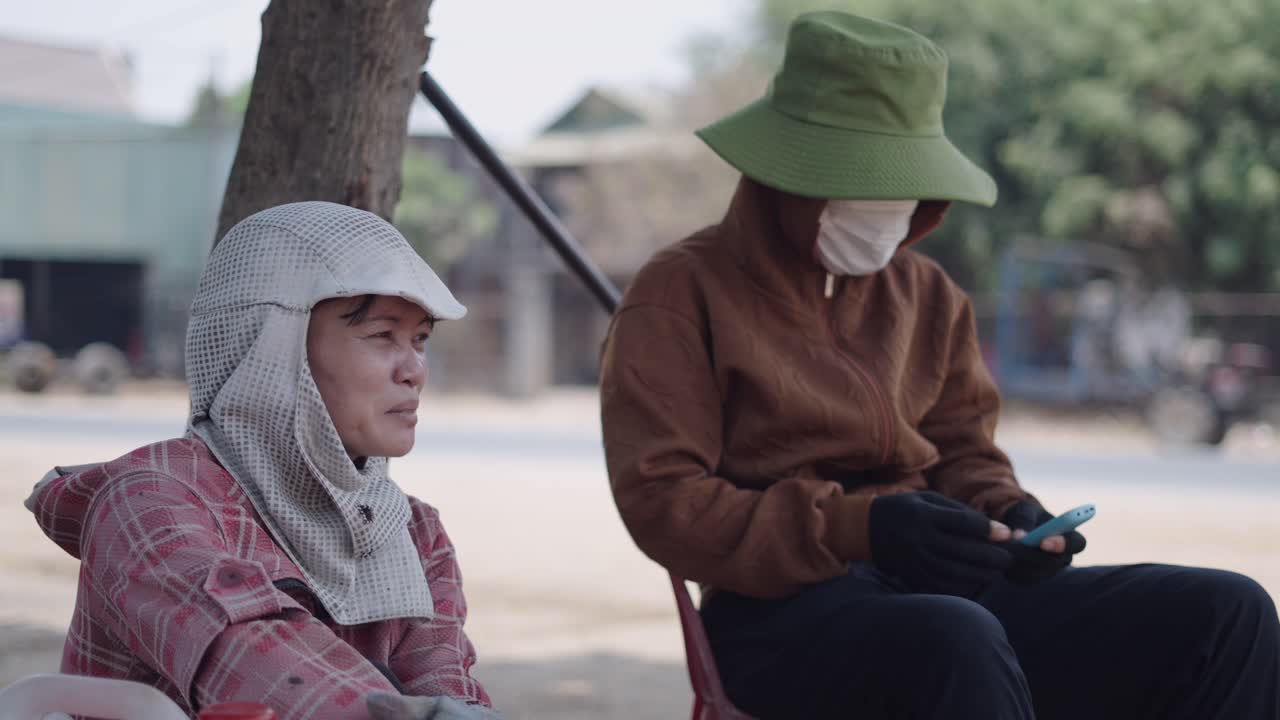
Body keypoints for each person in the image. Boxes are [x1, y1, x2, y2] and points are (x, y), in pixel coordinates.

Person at [599, 12, 1279, 720]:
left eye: (903, 183)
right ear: (784, 171)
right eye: (861, 179)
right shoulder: (678, 294)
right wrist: (859, 528)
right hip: (779, 617)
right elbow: (665, 502)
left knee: (1227, 613)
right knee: (955, 639)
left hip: (946, 593)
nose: (889, 208)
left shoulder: (928, 295)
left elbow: (964, 452)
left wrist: (1009, 514)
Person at [27, 202, 500, 720]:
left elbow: (446, 689)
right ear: (274, 350)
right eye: (383, 335)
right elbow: (249, 654)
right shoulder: (148, 500)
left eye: (420, 339)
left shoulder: (415, 533)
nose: (414, 370)